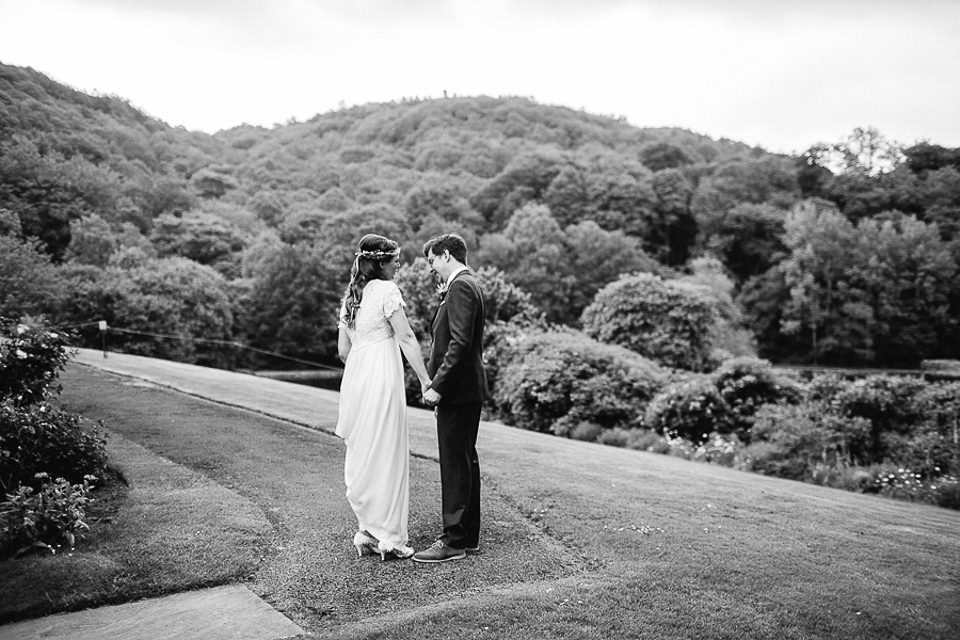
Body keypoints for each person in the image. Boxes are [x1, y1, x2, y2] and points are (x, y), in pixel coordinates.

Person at [335, 234, 432, 561]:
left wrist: (365, 364)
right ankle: (389, 538)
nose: (399, 264)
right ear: (380, 263)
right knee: (387, 453)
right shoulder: (387, 292)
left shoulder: (352, 296)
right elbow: (405, 336)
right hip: (381, 379)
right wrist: (425, 379)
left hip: (357, 380)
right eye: (394, 260)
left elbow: (343, 351)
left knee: (365, 452)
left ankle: (368, 531)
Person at [413, 233, 490, 563]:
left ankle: (454, 539)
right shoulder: (469, 283)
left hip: (457, 390)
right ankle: (467, 535)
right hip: (466, 389)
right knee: (464, 459)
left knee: (455, 463)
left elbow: (458, 344)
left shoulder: (460, 286)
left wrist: (437, 386)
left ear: (446, 255)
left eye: (432, 260)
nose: (430, 268)